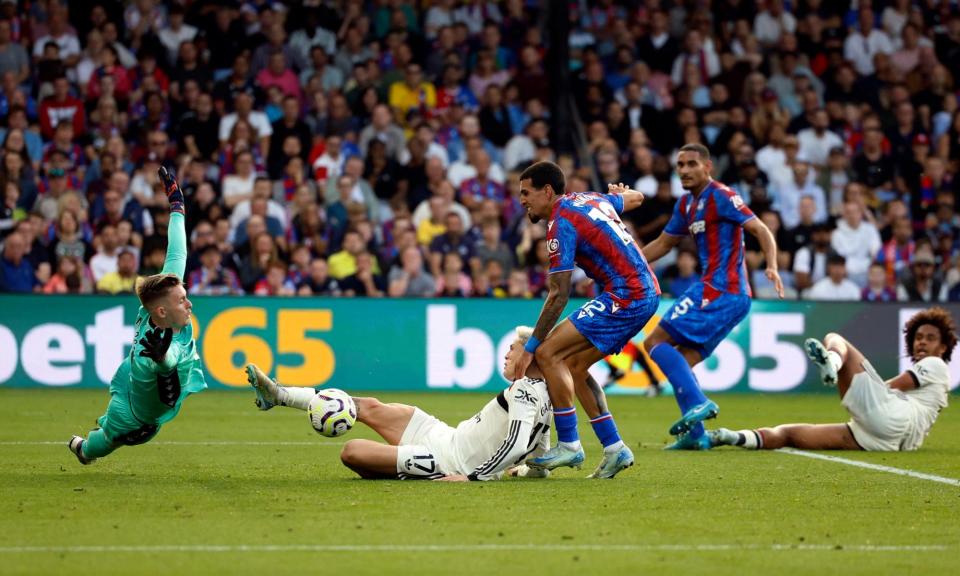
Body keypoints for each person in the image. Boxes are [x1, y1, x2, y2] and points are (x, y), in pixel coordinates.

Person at [245, 327, 555, 481]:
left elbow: (516, 444)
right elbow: (540, 456)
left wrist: (474, 476)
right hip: (445, 435)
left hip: (444, 461)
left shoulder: (524, 390)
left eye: (513, 350)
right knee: (367, 406)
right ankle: (280, 395)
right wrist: (521, 471)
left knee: (351, 452)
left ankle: (412, 470)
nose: (507, 355)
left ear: (528, 356)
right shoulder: (544, 397)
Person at [512, 161, 656, 479]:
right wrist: (623, 192)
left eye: (526, 193)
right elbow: (637, 199)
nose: (522, 200)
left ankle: (569, 444)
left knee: (549, 353)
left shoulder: (560, 223)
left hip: (626, 295)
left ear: (547, 191)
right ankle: (615, 448)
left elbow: (558, 294)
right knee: (575, 366)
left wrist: (531, 347)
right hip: (643, 292)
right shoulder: (591, 198)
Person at [641, 143, 784, 450]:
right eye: (680, 165)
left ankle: (699, 403)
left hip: (721, 290)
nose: (684, 170)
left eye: (691, 164)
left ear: (708, 167)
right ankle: (697, 436)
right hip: (726, 296)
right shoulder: (685, 205)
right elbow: (664, 244)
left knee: (654, 342)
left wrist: (771, 265)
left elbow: (760, 229)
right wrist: (630, 262)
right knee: (681, 361)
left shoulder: (721, 195)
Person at [68, 168, 207, 464]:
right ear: (162, 311)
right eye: (183, 300)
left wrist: (177, 207)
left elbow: (177, 254)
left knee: (106, 428)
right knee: (105, 441)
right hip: (137, 416)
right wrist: (161, 360)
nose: (189, 304)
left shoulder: (154, 308)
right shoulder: (155, 353)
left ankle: (93, 437)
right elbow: (167, 365)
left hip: (131, 383)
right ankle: (84, 450)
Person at [711, 307, 956, 451]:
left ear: (944, 347)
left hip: (892, 417)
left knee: (836, 339)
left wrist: (853, 379)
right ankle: (730, 436)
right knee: (788, 434)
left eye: (930, 338)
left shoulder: (935, 364)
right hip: (885, 441)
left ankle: (833, 361)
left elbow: (892, 386)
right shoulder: (936, 381)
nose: (922, 342)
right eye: (918, 337)